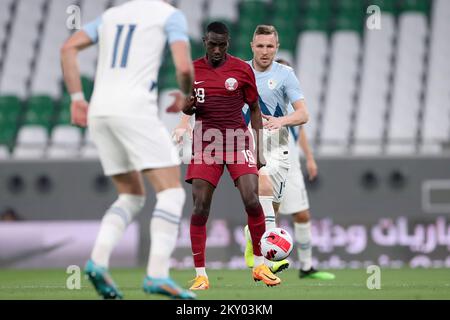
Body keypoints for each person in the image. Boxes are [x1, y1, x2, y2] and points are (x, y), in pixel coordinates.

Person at [60, 0, 195, 299]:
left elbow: (68, 47)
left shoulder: (111, 15)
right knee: (172, 192)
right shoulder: (170, 15)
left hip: (99, 111)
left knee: (131, 195)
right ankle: (157, 275)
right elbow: (184, 66)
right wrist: (187, 94)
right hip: (134, 110)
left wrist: (77, 98)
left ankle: (98, 261)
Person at [175, 21, 281, 291]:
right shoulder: (192, 70)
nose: (218, 49)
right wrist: (186, 108)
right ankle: (201, 275)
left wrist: (257, 149)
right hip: (206, 144)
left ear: (228, 44)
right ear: (204, 42)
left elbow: (255, 109)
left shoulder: (242, 70)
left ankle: (259, 265)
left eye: (222, 44)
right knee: (200, 206)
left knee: (252, 199)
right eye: (213, 44)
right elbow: (185, 106)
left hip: (236, 142)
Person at [241, 25, 309, 274]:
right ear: (252, 46)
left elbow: (303, 114)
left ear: (276, 47)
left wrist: (281, 120)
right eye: (260, 46)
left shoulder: (286, 74)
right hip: (248, 142)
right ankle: (270, 260)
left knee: (271, 206)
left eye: (270, 46)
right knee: (264, 183)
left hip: (278, 145)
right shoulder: (240, 71)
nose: (265, 51)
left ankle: (251, 236)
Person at [275, 59, 335, 280]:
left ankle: (306, 267)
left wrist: (309, 158)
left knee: (302, 214)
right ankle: (267, 264)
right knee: (269, 216)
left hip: (292, 167)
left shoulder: (294, 105)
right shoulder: (261, 102)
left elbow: (300, 132)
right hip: (270, 166)